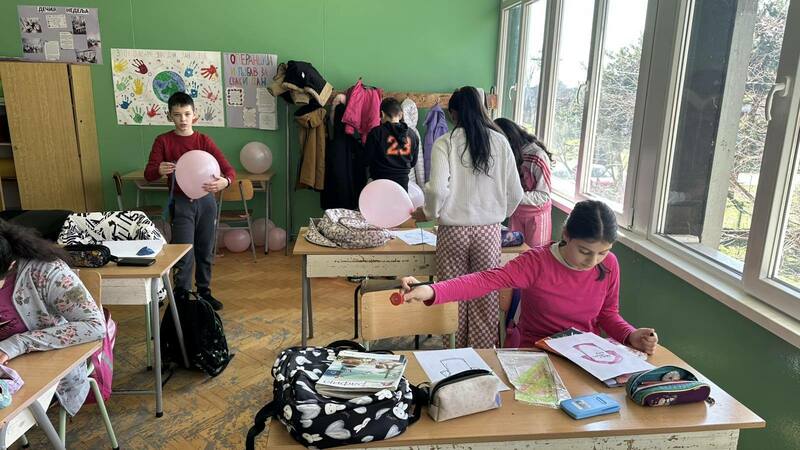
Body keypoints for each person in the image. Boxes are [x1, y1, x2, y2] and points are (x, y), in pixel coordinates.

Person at [401, 200, 659, 354]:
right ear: (566, 235)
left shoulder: (609, 265)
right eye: (584, 251)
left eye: (602, 252)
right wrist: (432, 290)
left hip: (584, 356)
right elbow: (485, 281)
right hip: (537, 353)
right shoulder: (537, 262)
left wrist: (630, 335)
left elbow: (608, 314)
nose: (592, 261)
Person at [412, 86, 523, 348]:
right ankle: (481, 356)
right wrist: (497, 215)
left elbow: (437, 189)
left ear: (453, 113)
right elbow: (516, 193)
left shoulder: (446, 142)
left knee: (451, 295)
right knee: (485, 295)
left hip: (453, 231)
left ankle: (454, 353)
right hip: (489, 232)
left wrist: (429, 213)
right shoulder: (500, 141)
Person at [0, 220, 105, 416]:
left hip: (42, 371)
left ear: (10, 265)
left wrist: (16, 344)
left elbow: (94, 326)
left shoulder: (46, 272)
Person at [144, 92, 235, 310]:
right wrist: (159, 170)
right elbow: (149, 173)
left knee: (205, 249)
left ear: (195, 115)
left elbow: (229, 170)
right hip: (181, 202)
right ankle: (181, 294)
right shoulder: (163, 141)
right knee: (183, 251)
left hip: (206, 201)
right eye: (177, 115)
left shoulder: (203, 140)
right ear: (169, 116)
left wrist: (226, 182)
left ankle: (204, 291)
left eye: (186, 114)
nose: (183, 119)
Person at [494, 118, 553, 248]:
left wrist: (514, 196)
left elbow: (544, 195)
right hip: (517, 213)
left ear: (508, 139)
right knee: (514, 254)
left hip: (536, 217)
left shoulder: (537, 155)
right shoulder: (508, 153)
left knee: (535, 255)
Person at [364, 97, 420, 191]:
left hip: (379, 183)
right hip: (402, 187)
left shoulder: (376, 133)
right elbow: (413, 162)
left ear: (382, 114)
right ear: (401, 115)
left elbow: (366, 160)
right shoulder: (413, 135)